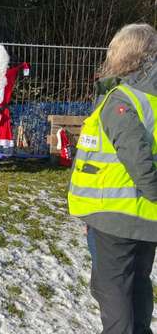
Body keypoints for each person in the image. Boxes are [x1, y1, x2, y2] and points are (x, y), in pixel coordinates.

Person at [68, 23, 157, 334]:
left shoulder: (122, 99)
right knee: (136, 287)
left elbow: (138, 160)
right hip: (143, 218)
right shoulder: (150, 99)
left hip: (117, 216)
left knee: (113, 290)